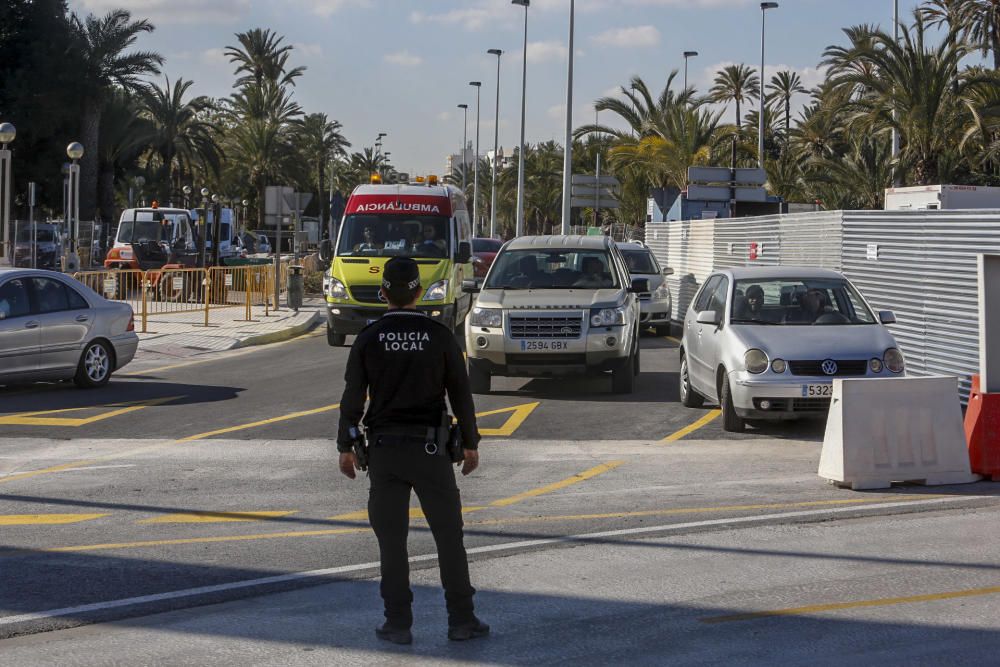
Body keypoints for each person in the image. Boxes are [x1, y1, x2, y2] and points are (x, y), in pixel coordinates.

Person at [337, 257, 488, 645]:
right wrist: (470, 443)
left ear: (383, 292)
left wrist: (345, 447)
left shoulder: (369, 338)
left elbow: (353, 397)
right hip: (431, 450)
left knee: (392, 542)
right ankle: (461, 620)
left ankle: (398, 624)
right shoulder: (438, 336)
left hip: (385, 452)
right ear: (419, 293)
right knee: (449, 538)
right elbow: (461, 395)